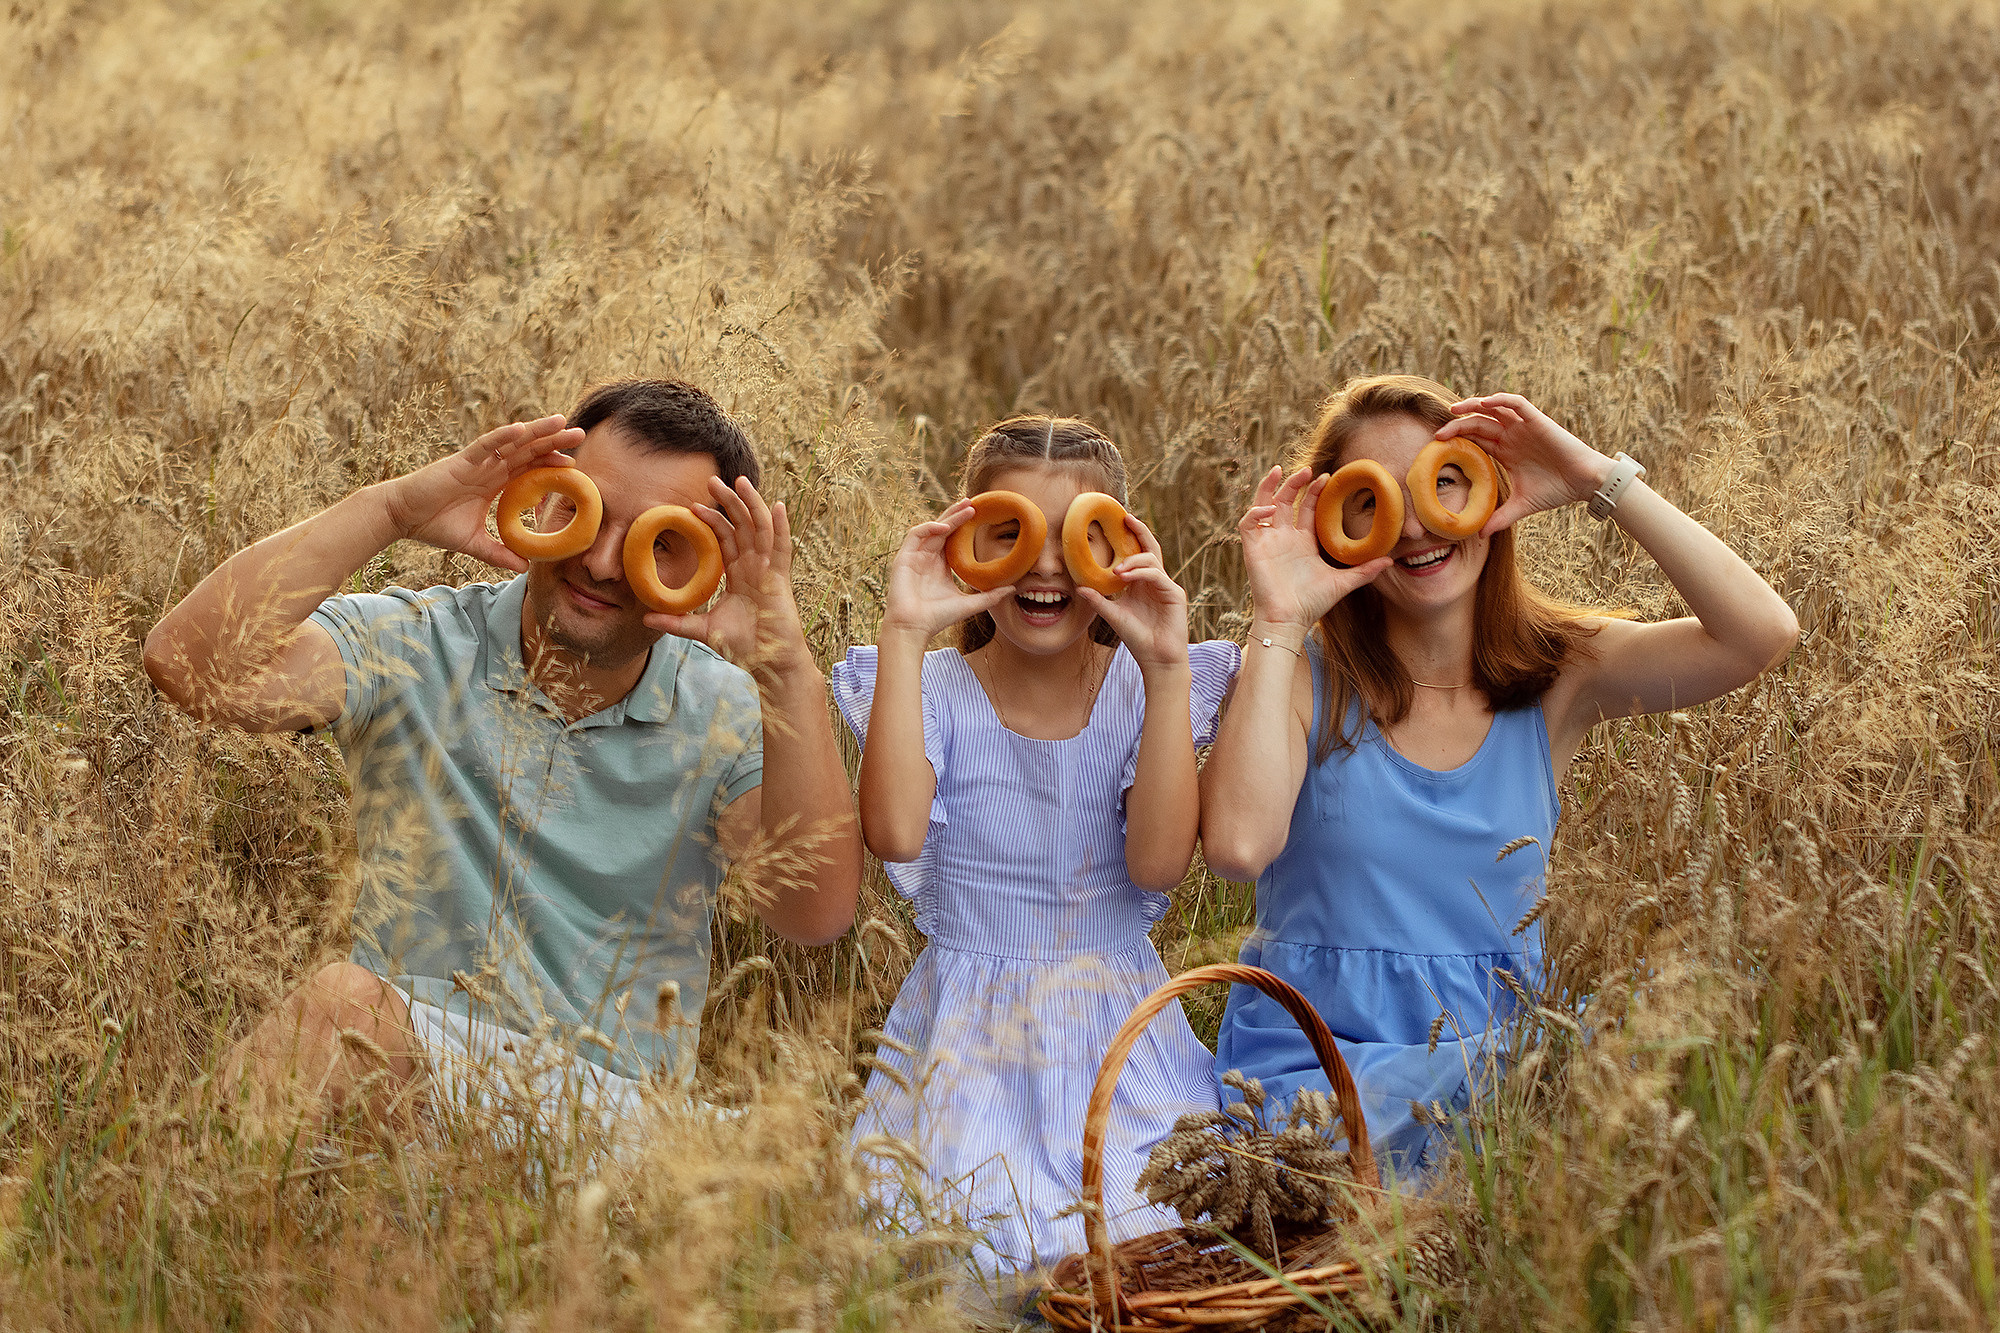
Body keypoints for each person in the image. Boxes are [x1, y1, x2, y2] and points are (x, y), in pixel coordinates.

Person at [143, 378, 861, 1128]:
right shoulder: (417, 644)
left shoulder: (728, 712)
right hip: (407, 1076)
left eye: (661, 541)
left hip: (617, 1116)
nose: (605, 562)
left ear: (706, 569)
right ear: (542, 499)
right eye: (584, 512)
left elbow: (814, 913)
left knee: (807, 1148)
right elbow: (187, 663)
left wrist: (784, 668)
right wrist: (391, 512)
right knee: (340, 1011)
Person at [1201, 375, 1799, 1180]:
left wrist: (1596, 479)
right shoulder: (1301, 677)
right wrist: (1276, 617)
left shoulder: (1560, 674)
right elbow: (1238, 845)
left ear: (1490, 494)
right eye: (1377, 500)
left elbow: (1759, 635)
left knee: (1687, 1015)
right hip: (1323, 1074)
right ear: (1339, 527)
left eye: (1444, 482)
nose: (1415, 525)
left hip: (1501, 1065)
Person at [830, 417, 1238, 1281]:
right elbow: (895, 833)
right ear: (967, 540)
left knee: (1152, 1229)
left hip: (1116, 1026)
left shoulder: (1145, 687)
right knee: (961, 1233)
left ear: (1118, 549)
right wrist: (905, 631)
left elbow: (1159, 864)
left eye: (1078, 536)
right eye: (1010, 533)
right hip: (968, 1034)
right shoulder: (934, 690)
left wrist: (1164, 667)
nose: (1046, 564)